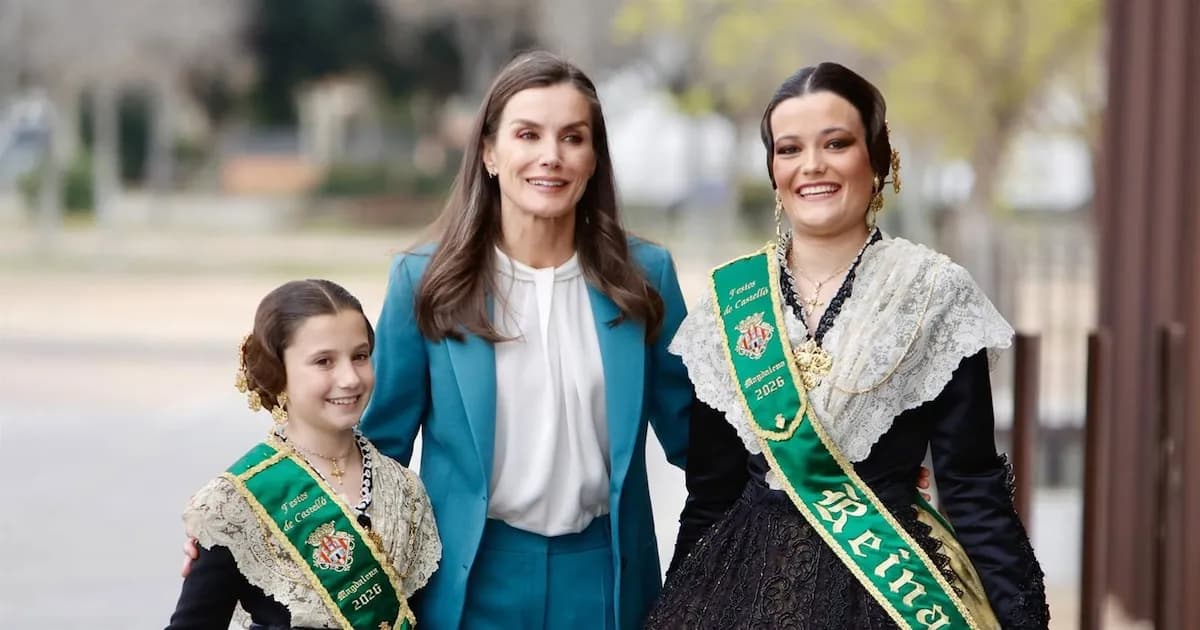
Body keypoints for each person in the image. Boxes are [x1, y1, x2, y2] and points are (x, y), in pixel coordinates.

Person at [644, 62, 1049, 629]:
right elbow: (710, 496)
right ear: (773, 172)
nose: (812, 166)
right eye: (789, 150)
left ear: (879, 160)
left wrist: (1021, 619)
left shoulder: (933, 293)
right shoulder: (728, 305)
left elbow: (973, 487)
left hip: (891, 593)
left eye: (836, 143)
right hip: (742, 591)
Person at [358, 50, 693, 630]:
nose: (551, 156)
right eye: (528, 134)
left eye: (572, 137)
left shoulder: (646, 276)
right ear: (489, 152)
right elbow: (376, 451)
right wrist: (238, 539)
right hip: (467, 582)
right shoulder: (423, 279)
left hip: (606, 580)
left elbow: (701, 440)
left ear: (593, 159)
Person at [166, 279, 441, 630]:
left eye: (360, 356)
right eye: (324, 361)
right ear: (278, 373)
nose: (350, 378)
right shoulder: (236, 503)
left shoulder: (404, 488)